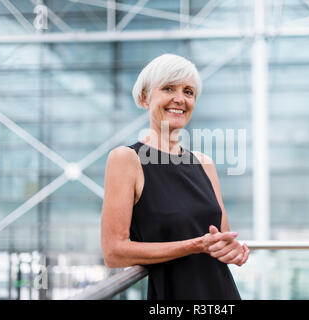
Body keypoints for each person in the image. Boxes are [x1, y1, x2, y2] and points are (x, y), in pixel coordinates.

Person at [101, 53, 250, 300]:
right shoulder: (126, 159)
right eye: (168, 88)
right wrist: (193, 246)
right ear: (144, 98)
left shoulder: (204, 164)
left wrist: (234, 250)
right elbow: (114, 252)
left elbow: (220, 240)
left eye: (189, 92)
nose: (180, 99)